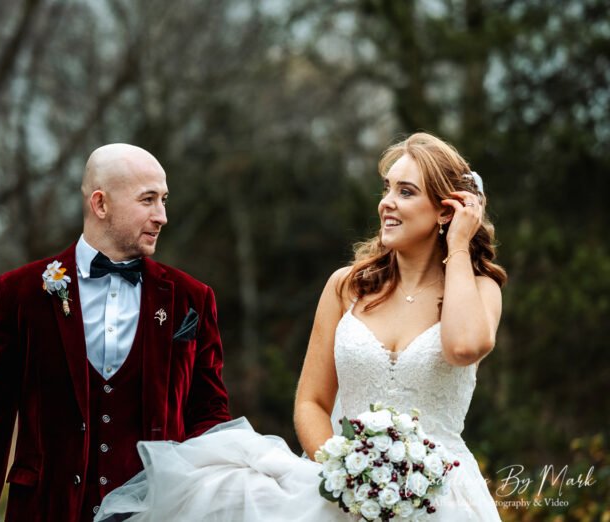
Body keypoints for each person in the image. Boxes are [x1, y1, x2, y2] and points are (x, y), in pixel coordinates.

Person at [94, 132, 505, 522]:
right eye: (387, 188)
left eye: (406, 192)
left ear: (446, 211)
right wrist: (348, 480)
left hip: (443, 498)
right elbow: (311, 402)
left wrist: (457, 245)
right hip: (342, 495)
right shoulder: (347, 287)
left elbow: (464, 347)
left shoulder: (480, 288)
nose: (387, 203)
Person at [0, 144, 231, 522]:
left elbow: (210, 415)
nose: (162, 216)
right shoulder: (22, 293)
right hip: (46, 511)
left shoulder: (191, 299)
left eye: (164, 200)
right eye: (147, 200)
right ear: (100, 204)